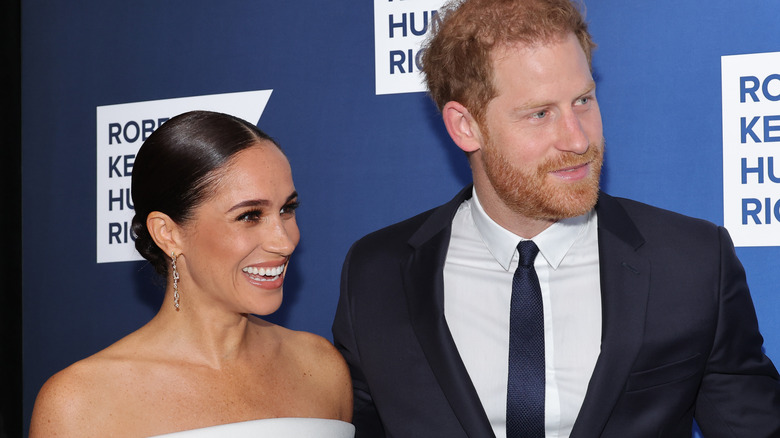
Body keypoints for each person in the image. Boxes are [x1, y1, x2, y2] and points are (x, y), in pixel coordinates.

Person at [332, 0, 780, 437]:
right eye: (540, 113)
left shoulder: (691, 262)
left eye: (583, 101)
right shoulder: (376, 274)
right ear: (465, 126)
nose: (578, 139)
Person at [30, 111, 354, 437]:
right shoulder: (80, 403)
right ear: (168, 233)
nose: (284, 242)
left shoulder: (320, 368)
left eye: (287, 209)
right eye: (250, 216)